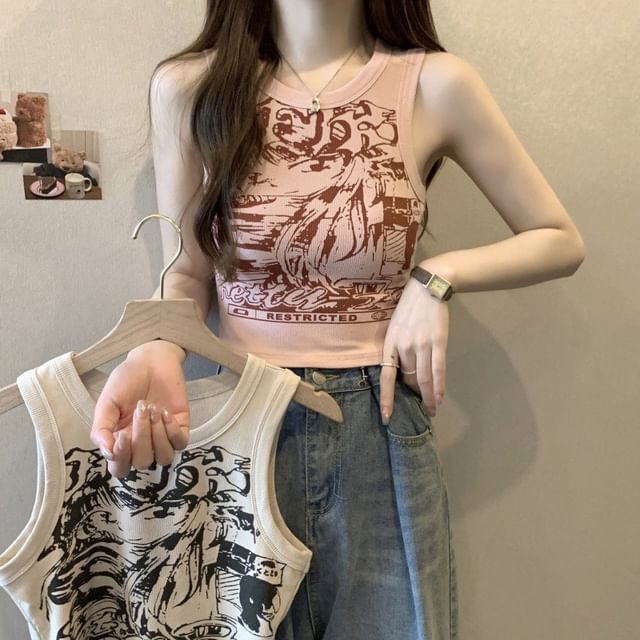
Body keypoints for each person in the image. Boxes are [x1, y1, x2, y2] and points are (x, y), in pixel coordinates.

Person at [90, 1, 586, 638]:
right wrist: (155, 349)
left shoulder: (434, 84)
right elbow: (186, 273)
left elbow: (558, 238)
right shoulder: (191, 88)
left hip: (379, 429)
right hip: (242, 423)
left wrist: (435, 280)